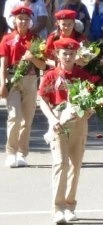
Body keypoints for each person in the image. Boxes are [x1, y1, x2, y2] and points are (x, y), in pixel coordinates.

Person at [38, 37, 94, 225]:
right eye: (64, 53)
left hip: (78, 123)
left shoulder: (83, 75)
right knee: (60, 163)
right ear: (57, 55)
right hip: (59, 122)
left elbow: (92, 100)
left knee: (75, 165)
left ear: (76, 55)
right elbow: (43, 100)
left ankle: (70, 206)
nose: (68, 57)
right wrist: (52, 119)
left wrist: (89, 111)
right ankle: (57, 207)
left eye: (71, 53)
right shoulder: (51, 76)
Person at [1, 6, 48, 169]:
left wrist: (32, 58)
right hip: (13, 79)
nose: (23, 22)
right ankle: (11, 152)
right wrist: (2, 83)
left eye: (26, 19)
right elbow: (3, 64)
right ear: (14, 20)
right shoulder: (7, 39)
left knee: (27, 119)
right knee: (14, 116)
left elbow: (42, 66)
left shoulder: (35, 40)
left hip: (30, 78)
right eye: (20, 19)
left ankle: (22, 153)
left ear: (30, 22)